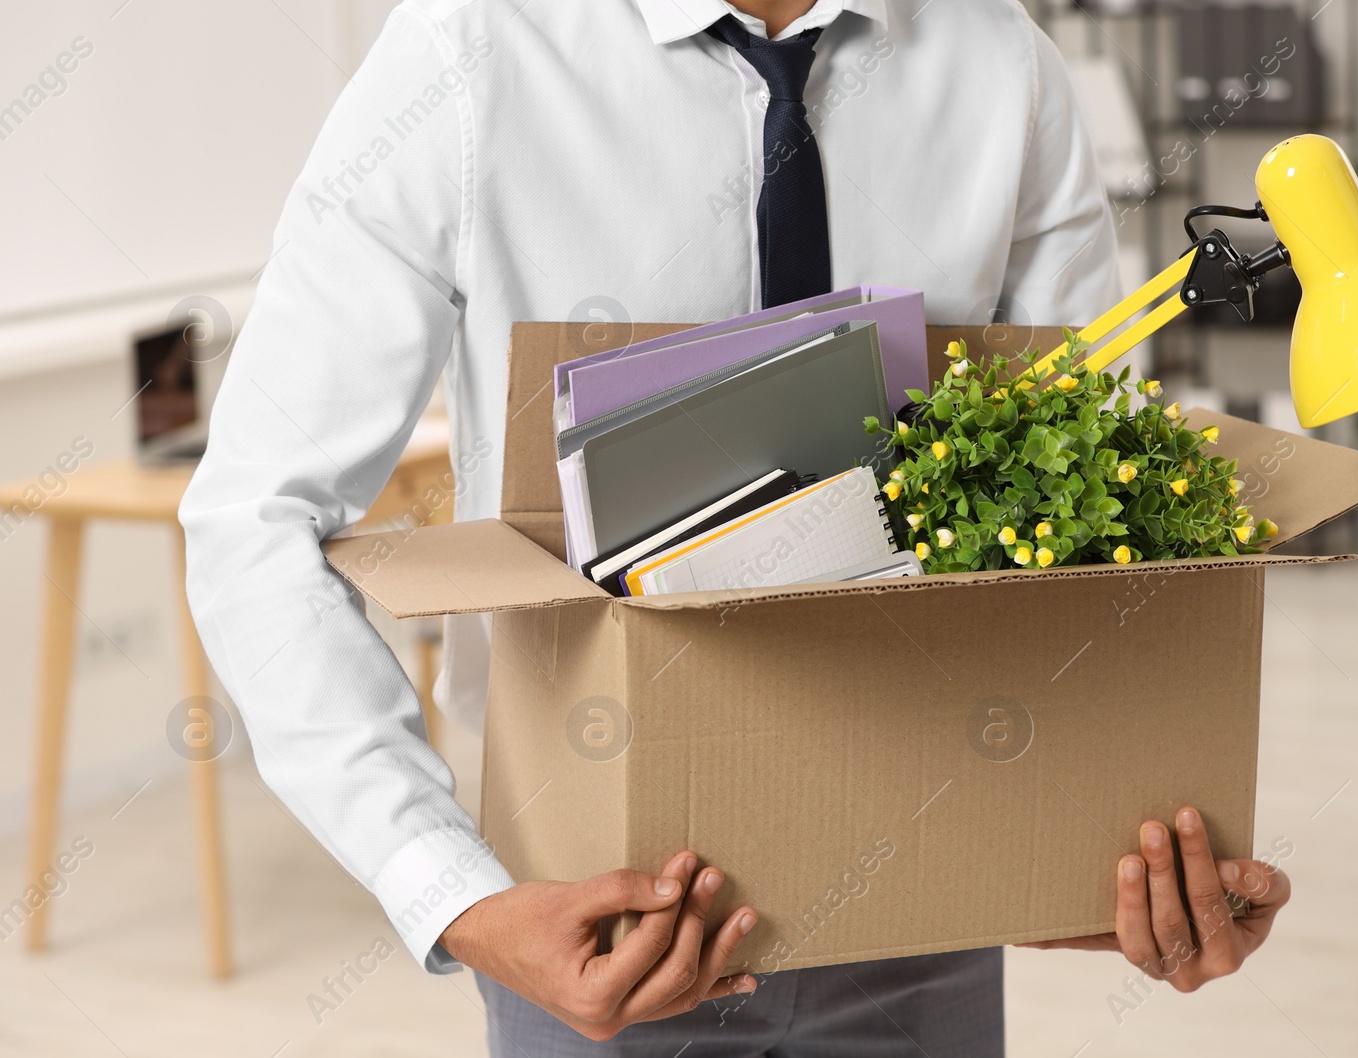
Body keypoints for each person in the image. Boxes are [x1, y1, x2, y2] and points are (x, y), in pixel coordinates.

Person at [179, 0, 1291, 1054]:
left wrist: (1099, 847)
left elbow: (1094, 508)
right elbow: (255, 513)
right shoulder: (469, 52)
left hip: (925, 907)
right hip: (597, 912)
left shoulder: (1000, 62)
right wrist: (452, 891)